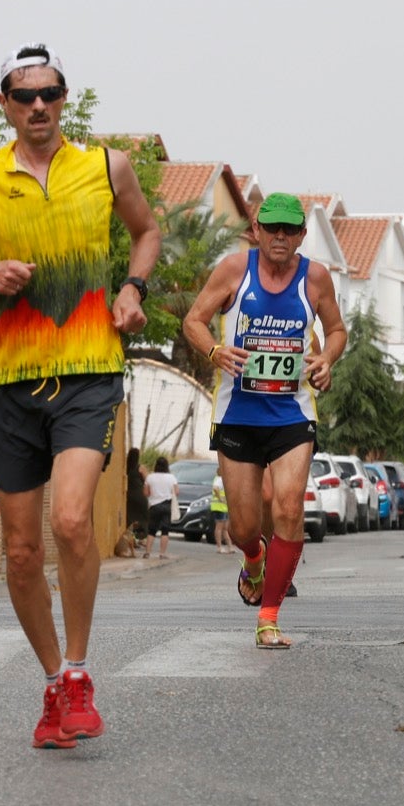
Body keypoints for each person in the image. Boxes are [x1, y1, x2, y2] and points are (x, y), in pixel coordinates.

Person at [0, 42, 162, 750]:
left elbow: (146, 232)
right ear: (5, 105)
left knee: (72, 520)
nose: (39, 106)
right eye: (25, 96)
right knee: (21, 553)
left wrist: (132, 289)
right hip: (10, 382)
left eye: (50, 93)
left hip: (88, 369)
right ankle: (53, 681)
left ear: (64, 99)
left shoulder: (107, 167)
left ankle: (79, 674)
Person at [182, 192, 346, 647]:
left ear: (301, 235)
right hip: (238, 413)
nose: (279, 236)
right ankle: (253, 558)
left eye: (289, 229)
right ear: (256, 230)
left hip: (292, 413)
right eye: (271, 227)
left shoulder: (315, 277)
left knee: (289, 508)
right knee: (243, 527)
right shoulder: (234, 271)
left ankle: (269, 617)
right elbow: (194, 321)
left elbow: (336, 330)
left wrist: (327, 360)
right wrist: (214, 351)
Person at [144, 456, 178, 560]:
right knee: (165, 531)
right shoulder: (171, 477)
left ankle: (147, 553)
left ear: (156, 465)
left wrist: (154, 494)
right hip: (166, 506)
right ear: (167, 466)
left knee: (151, 530)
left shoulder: (150, 477)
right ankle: (162, 554)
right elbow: (176, 492)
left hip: (154, 506)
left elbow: (146, 493)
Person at [125, 446, 149, 550]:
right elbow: (148, 480)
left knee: (130, 518)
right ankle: (141, 539)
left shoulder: (125, 467)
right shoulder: (141, 468)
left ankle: (132, 539)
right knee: (144, 518)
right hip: (140, 495)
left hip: (129, 496)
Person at [210, 473, 231, 553]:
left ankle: (230, 547)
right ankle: (219, 547)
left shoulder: (224, 479)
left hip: (224, 507)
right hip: (219, 507)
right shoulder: (219, 479)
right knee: (219, 527)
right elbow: (215, 488)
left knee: (225, 528)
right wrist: (220, 498)